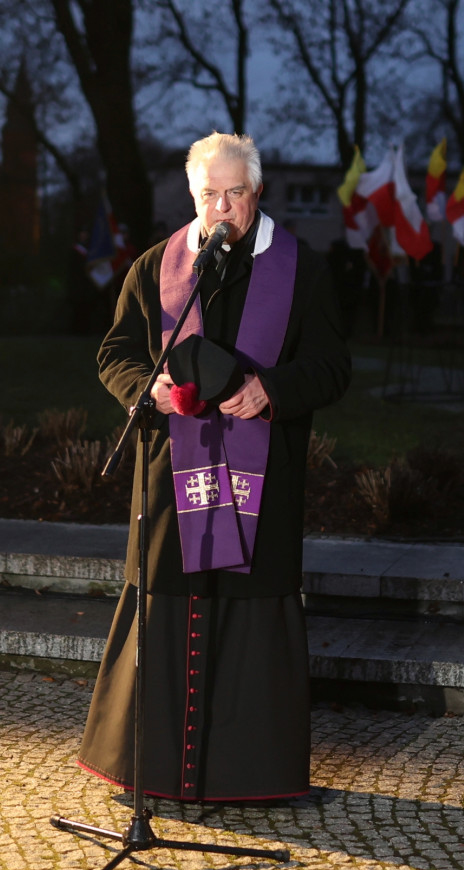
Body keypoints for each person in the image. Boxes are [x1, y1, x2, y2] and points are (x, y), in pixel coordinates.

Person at [77, 132, 351, 803]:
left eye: (235, 192)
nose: (221, 206)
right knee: (166, 600)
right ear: (194, 196)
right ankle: (154, 767)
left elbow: (332, 366)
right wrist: (151, 391)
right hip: (173, 473)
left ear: (257, 192)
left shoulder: (300, 268)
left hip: (265, 476)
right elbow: (115, 353)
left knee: (250, 607)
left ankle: (246, 773)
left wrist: (273, 392)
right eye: (209, 194)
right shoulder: (158, 265)